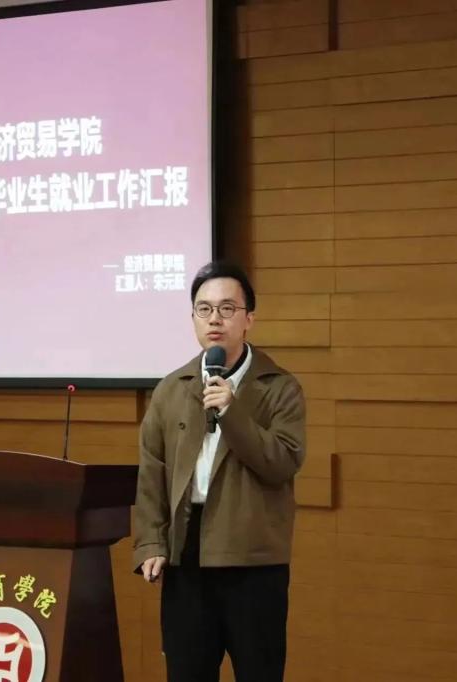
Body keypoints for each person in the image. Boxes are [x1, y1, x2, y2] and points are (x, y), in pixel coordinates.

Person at [132, 260, 307, 682]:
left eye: (228, 309)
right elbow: (152, 472)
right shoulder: (172, 388)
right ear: (193, 317)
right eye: (204, 309)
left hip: (253, 561)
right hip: (186, 556)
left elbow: (282, 462)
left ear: (249, 319)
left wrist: (232, 411)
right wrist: (151, 543)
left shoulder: (279, 387)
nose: (215, 319)